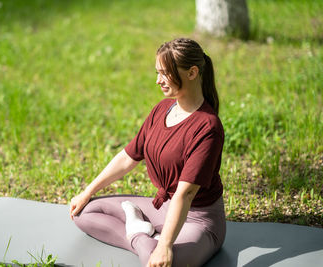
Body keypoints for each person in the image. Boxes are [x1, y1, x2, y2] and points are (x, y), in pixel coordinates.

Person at [69, 37, 226, 267]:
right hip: (163, 208)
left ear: (192, 73)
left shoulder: (207, 127)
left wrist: (164, 247)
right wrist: (87, 191)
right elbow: (128, 157)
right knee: (84, 213)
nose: (158, 80)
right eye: (157, 72)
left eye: (165, 73)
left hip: (197, 221)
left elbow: (186, 194)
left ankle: (144, 237)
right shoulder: (161, 109)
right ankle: (144, 236)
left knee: (160, 264)